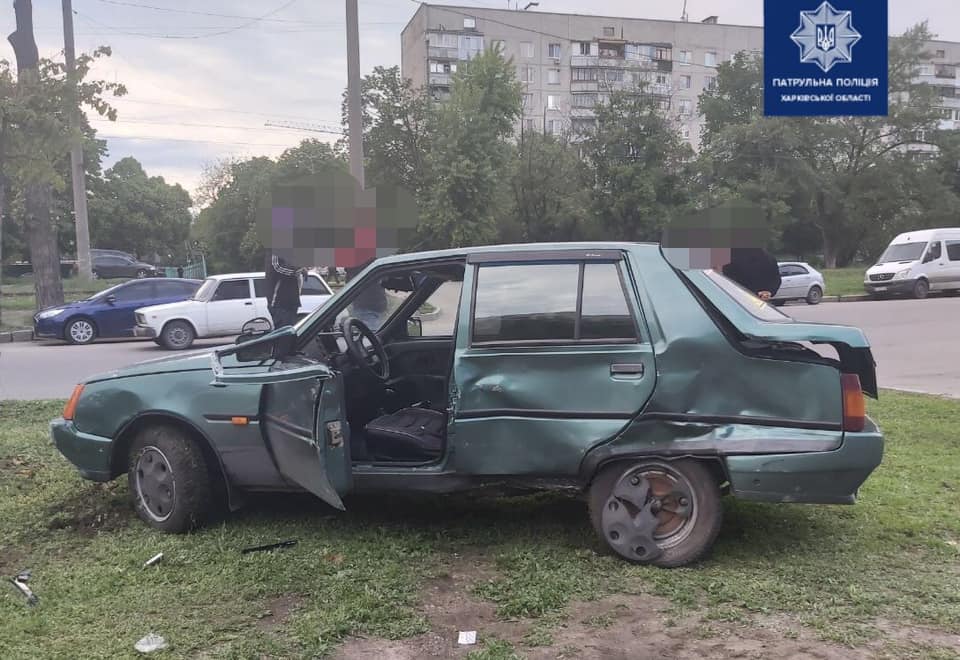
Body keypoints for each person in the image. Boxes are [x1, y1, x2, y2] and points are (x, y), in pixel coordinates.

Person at [264, 252, 304, 329]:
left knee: (290, 334)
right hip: (279, 304)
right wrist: (299, 269)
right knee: (284, 334)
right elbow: (277, 268)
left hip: (292, 302)